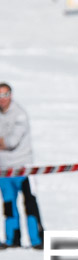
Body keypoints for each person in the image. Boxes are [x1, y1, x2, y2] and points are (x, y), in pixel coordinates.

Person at [0, 82, 44, 249]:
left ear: (11, 95)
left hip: (23, 167)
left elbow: (12, 142)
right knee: (9, 205)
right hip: (4, 170)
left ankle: (37, 240)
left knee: (30, 203)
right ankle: (12, 239)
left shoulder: (20, 115)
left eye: (5, 95)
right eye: (0, 95)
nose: (2, 99)